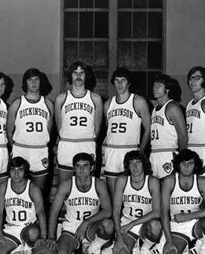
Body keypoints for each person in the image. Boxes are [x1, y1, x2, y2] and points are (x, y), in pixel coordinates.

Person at [48, 153, 114, 254]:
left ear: (91, 167)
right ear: (74, 168)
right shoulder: (66, 185)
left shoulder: (99, 184)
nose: (81, 170)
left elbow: (108, 211)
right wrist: (51, 237)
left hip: (91, 227)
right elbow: (54, 211)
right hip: (71, 229)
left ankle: (93, 246)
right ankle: (74, 247)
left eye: (85, 166)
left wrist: (86, 222)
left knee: (108, 225)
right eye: (78, 166)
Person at [160, 149, 205, 254]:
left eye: (190, 163)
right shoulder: (169, 181)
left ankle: (203, 248)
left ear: (195, 165)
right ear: (178, 165)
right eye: (183, 163)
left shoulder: (202, 182)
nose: (186, 167)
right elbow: (163, 213)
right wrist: (169, 240)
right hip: (175, 226)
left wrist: (187, 216)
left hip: (194, 224)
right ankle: (185, 247)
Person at [112, 150, 166, 254]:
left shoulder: (152, 181)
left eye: (138, 162)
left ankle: (145, 249)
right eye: (131, 163)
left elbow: (157, 212)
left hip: (145, 224)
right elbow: (115, 212)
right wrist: (119, 237)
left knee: (156, 225)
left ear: (144, 164)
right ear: (127, 165)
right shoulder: (122, 180)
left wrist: (132, 224)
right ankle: (133, 243)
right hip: (127, 224)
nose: (135, 166)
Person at [0, 157, 48, 254]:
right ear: (9, 172)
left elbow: (41, 213)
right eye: (13, 170)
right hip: (11, 229)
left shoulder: (33, 188)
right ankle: (16, 249)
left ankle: (28, 248)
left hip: (29, 228)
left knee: (33, 233)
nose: (16, 174)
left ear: (25, 172)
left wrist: (43, 236)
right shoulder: (4, 186)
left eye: (20, 170)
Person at [103, 67, 151, 195]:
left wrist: (140, 150)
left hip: (130, 150)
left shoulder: (138, 102)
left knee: (131, 194)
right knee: (114, 196)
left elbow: (148, 129)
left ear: (129, 82)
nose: (119, 84)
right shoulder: (108, 104)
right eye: (117, 80)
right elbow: (108, 129)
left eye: (123, 80)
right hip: (112, 152)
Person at [55, 61, 103, 183]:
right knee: (64, 187)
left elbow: (97, 129)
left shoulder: (95, 99)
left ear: (86, 76)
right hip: (67, 146)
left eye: (82, 73)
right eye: (75, 73)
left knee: (86, 188)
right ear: (70, 76)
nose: (78, 76)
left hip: (86, 145)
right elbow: (59, 128)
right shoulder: (61, 99)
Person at [7, 68, 54, 193]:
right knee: (18, 190)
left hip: (40, 151)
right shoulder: (17, 104)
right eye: (30, 80)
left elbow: (49, 131)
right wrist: (15, 148)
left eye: (36, 79)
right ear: (25, 83)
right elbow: (9, 131)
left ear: (41, 82)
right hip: (21, 150)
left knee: (39, 192)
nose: (33, 83)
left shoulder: (48, 104)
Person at [149, 74, 188, 179]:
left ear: (167, 89)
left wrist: (181, 159)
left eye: (159, 85)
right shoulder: (155, 108)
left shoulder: (172, 107)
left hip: (168, 154)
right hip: (154, 154)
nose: (155, 87)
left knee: (168, 191)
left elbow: (183, 136)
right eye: (154, 85)